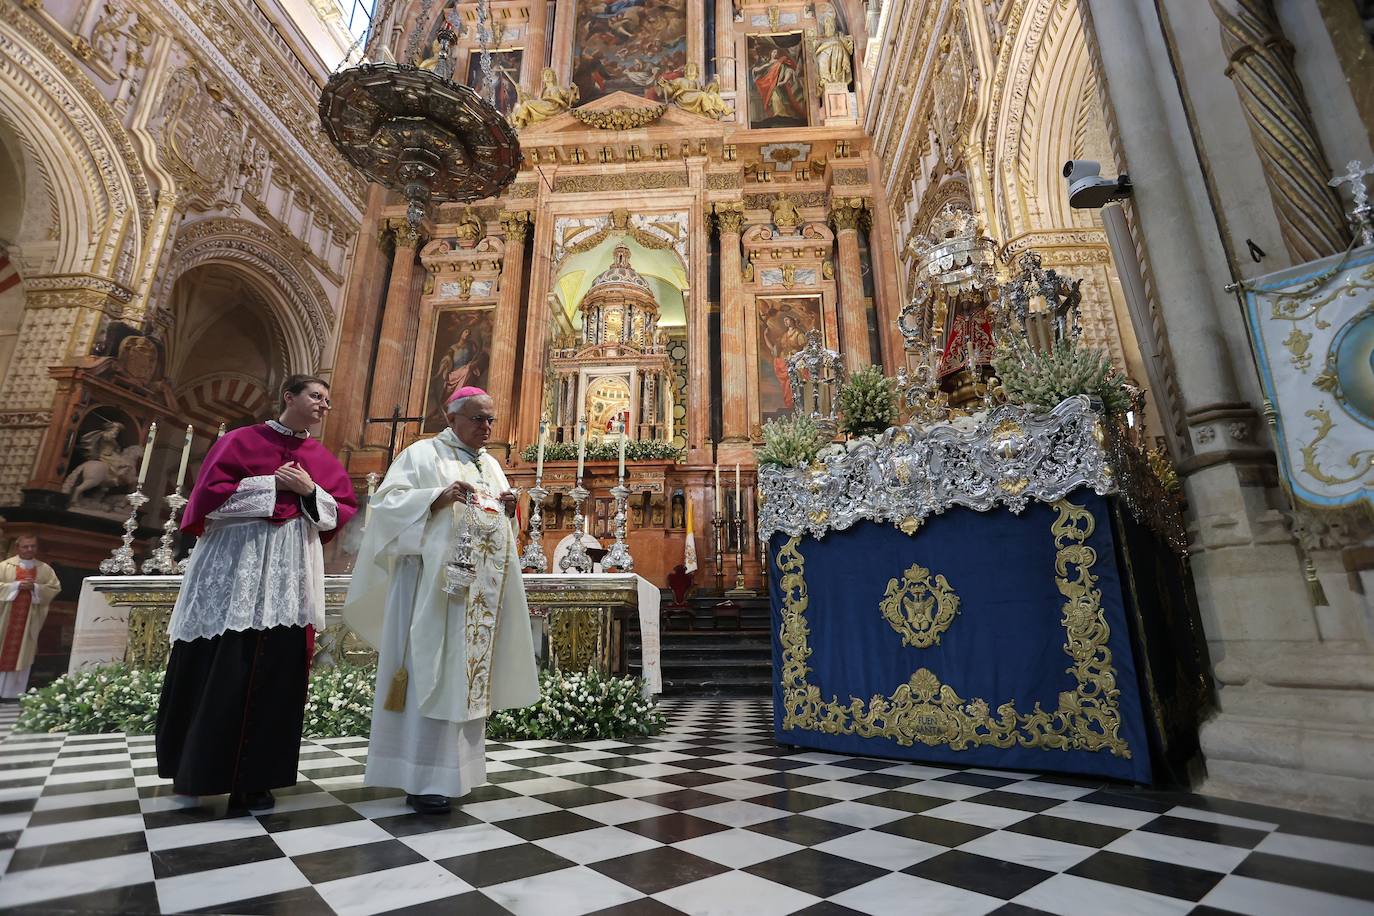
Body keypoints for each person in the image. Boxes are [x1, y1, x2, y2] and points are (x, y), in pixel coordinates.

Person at [155, 375, 358, 812]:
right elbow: (209, 500)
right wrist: (273, 485)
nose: (324, 405)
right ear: (289, 397)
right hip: (235, 567)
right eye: (316, 396)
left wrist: (306, 489)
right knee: (221, 662)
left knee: (277, 669)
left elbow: (338, 513)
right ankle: (197, 767)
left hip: (288, 572)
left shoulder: (320, 458)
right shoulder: (240, 441)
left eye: (328, 399)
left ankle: (257, 779)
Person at [345, 386, 539, 815]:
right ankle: (420, 776)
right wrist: (434, 498)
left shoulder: (491, 466)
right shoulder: (420, 455)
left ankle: (458, 775)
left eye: (490, 419)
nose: (486, 427)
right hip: (429, 592)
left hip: (475, 598)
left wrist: (509, 508)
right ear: (450, 418)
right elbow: (386, 507)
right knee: (429, 674)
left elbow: (496, 526)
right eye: (476, 418)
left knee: (462, 679)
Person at [0, 535, 61, 699]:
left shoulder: (44, 569)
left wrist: (34, 587)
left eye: (33, 546)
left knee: (23, 654)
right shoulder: (4, 566)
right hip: (5, 621)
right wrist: (17, 585)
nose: (29, 549)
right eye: (25, 546)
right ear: (17, 548)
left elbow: (54, 588)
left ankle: (13, 693)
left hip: (29, 621)